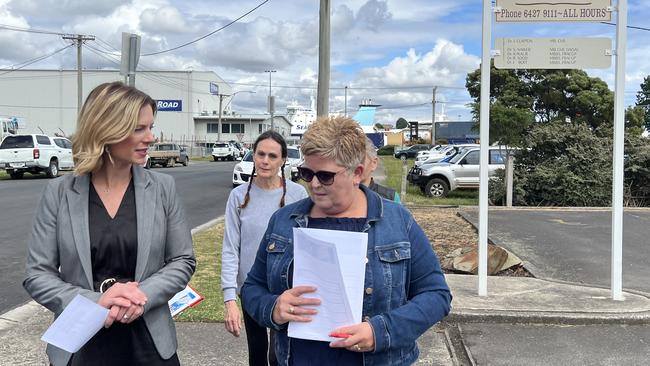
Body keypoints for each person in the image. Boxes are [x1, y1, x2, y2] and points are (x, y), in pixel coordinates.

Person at [241, 116, 451, 366]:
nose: (314, 184)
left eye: (326, 176)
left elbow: (436, 295)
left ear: (357, 173)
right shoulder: (284, 221)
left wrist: (379, 332)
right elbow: (252, 287)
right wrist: (273, 307)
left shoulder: (397, 222)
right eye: (307, 173)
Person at [23, 82, 196, 366]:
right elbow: (37, 275)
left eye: (151, 127)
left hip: (150, 344)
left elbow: (182, 260)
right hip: (81, 347)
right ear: (107, 129)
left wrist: (139, 296)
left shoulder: (163, 188)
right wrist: (96, 302)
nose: (151, 137)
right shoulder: (59, 193)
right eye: (139, 128)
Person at [221, 130, 308, 366]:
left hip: (287, 288)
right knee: (258, 353)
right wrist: (230, 298)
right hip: (252, 289)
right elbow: (230, 248)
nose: (265, 161)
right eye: (260, 154)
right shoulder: (238, 196)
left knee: (281, 354)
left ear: (282, 161)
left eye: (272, 155)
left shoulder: (298, 195)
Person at [361, 137, 400, 203]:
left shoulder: (391, 198)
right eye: (348, 159)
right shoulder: (339, 196)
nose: (353, 164)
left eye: (360, 159)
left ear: (374, 163)